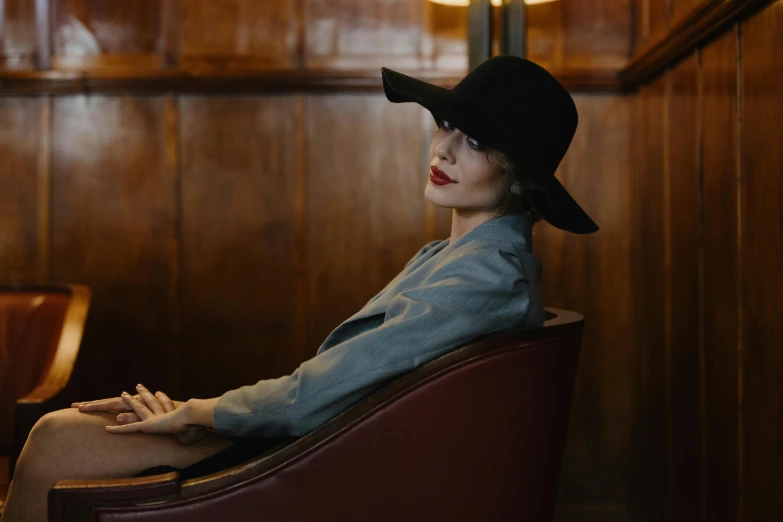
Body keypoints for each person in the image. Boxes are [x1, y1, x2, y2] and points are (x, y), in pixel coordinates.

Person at [1, 55, 597, 521]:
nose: (442, 147)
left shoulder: (484, 276)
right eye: (448, 125)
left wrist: (195, 415)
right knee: (58, 435)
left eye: (476, 141)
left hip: (321, 460)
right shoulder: (458, 257)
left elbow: (316, 397)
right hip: (319, 443)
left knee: (54, 438)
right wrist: (198, 417)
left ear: (519, 178)